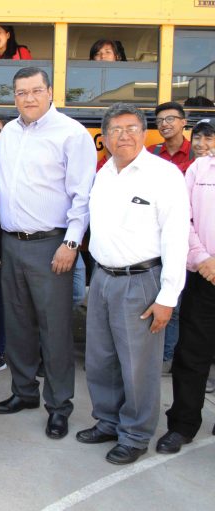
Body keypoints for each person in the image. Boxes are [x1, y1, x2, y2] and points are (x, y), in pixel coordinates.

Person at [79, 103, 189, 465]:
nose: (122, 135)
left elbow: (176, 237)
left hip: (142, 281)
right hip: (104, 279)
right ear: (105, 137)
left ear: (144, 133)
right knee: (101, 360)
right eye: (114, 129)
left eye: (130, 128)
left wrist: (168, 297)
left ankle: (136, 434)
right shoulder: (104, 174)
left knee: (138, 366)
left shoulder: (164, 175)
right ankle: (108, 422)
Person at [0, 68, 95, 439]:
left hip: (52, 246)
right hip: (11, 243)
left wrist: (71, 243)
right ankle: (24, 392)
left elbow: (83, 196)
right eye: (21, 92)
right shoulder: (9, 134)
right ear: (13, 96)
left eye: (36, 90)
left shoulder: (71, 134)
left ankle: (59, 405)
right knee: (18, 326)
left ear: (50, 91)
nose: (29, 98)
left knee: (54, 331)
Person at [156, 144, 215, 454]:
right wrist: (203, 258)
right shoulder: (200, 169)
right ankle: (182, 425)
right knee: (192, 354)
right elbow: (184, 219)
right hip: (204, 275)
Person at [148, 102, 194, 372]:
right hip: (158, 232)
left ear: (184, 121)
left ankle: (173, 355)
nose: (165, 124)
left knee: (182, 299)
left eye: (171, 119)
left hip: (190, 232)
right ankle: (162, 354)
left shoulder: (198, 154)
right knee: (163, 294)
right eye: (160, 120)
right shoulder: (152, 154)